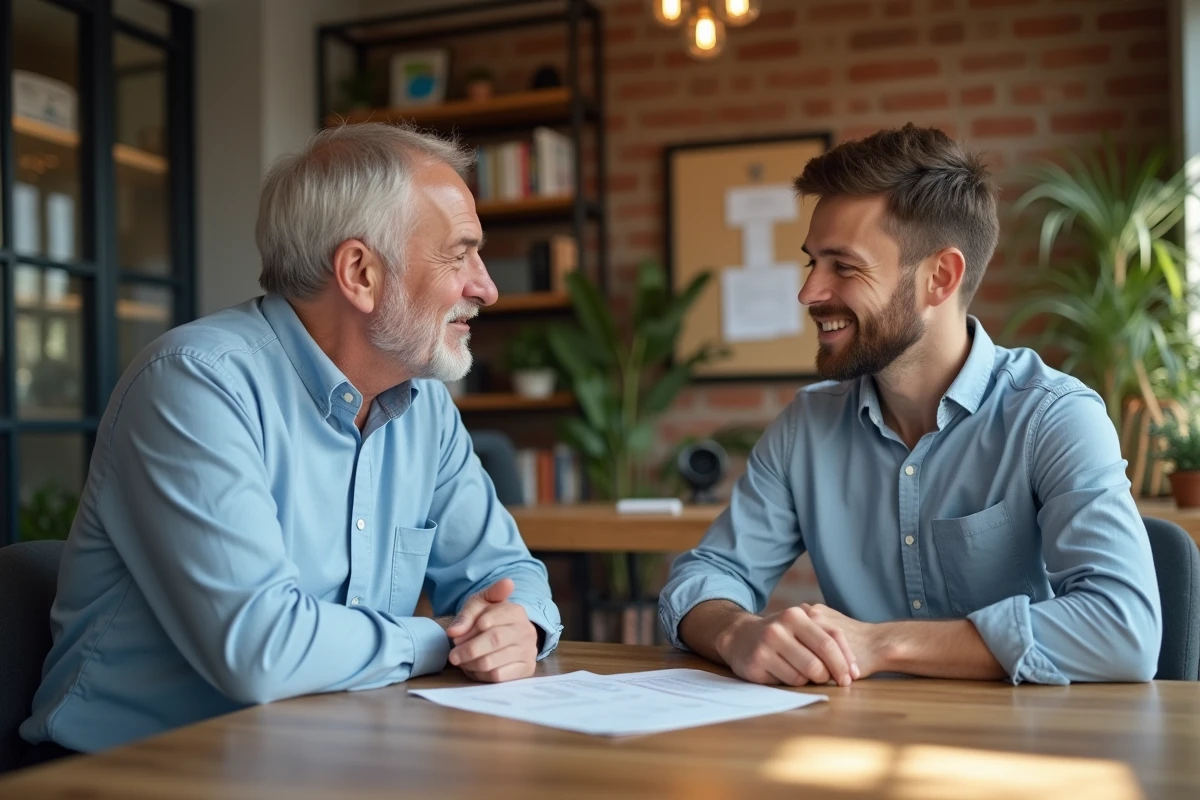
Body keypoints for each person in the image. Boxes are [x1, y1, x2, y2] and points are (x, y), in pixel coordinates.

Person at [21, 123, 562, 758]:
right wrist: (441, 638)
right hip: (132, 774)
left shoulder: (427, 409)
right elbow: (261, 650)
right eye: (459, 254)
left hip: (323, 755)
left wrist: (517, 624)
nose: (486, 287)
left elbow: (506, 573)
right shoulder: (195, 385)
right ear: (360, 272)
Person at [659, 124, 1161, 687]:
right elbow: (705, 576)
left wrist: (880, 643)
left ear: (939, 278)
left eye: (843, 267)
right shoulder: (807, 426)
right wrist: (736, 632)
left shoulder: (1052, 416)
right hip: (859, 742)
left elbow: (1124, 630)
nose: (809, 293)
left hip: (1026, 751)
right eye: (811, 263)